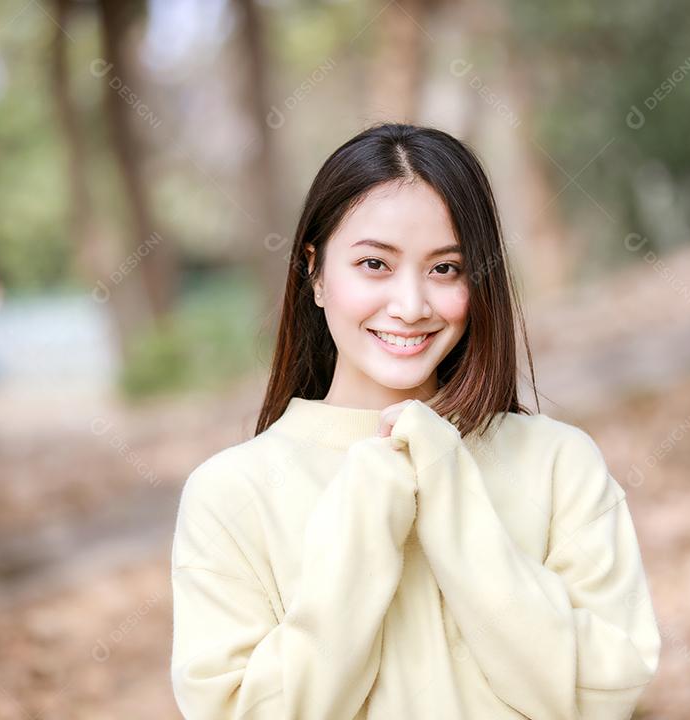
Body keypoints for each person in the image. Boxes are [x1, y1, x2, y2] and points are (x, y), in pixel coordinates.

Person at [170, 122, 661, 719]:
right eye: (375, 263)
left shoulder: (560, 463)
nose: (410, 305)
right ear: (315, 272)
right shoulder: (230, 494)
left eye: (445, 269)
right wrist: (366, 525)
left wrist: (453, 502)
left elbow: (601, 697)